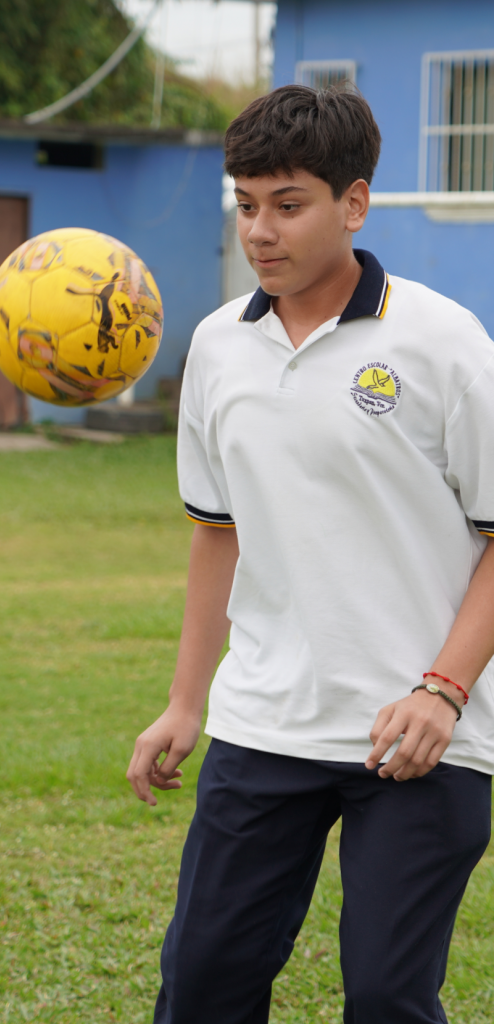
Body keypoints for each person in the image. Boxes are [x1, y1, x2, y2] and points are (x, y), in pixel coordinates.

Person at [127, 85, 494, 1024]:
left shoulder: (445, 343)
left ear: (353, 203)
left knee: (384, 997)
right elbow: (217, 532)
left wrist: (441, 690)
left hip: (419, 737)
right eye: (246, 204)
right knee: (201, 987)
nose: (260, 231)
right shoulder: (217, 347)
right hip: (264, 724)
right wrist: (185, 703)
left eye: (287, 205)